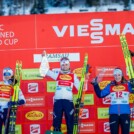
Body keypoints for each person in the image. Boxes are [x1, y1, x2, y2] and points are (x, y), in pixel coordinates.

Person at [40, 51, 80, 134]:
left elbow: (81, 88)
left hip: (68, 102)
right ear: (60, 65)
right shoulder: (56, 74)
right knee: (56, 123)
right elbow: (44, 71)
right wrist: (44, 58)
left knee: (70, 123)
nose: (64, 66)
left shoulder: (73, 76)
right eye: (63, 65)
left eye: (66, 64)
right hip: (58, 102)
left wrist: (85, 78)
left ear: (69, 65)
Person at [91, 67, 134, 134]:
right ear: (114, 76)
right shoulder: (110, 85)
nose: (117, 77)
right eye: (115, 75)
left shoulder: (127, 84)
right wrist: (95, 85)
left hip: (125, 114)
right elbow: (100, 94)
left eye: (119, 75)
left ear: (122, 75)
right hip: (114, 114)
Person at [0, 67, 26, 134]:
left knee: (8, 131)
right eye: (5, 74)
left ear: (11, 75)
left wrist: (14, 103)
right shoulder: (0, 84)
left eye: (8, 74)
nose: (6, 76)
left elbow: (23, 100)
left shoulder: (15, 87)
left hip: (8, 111)